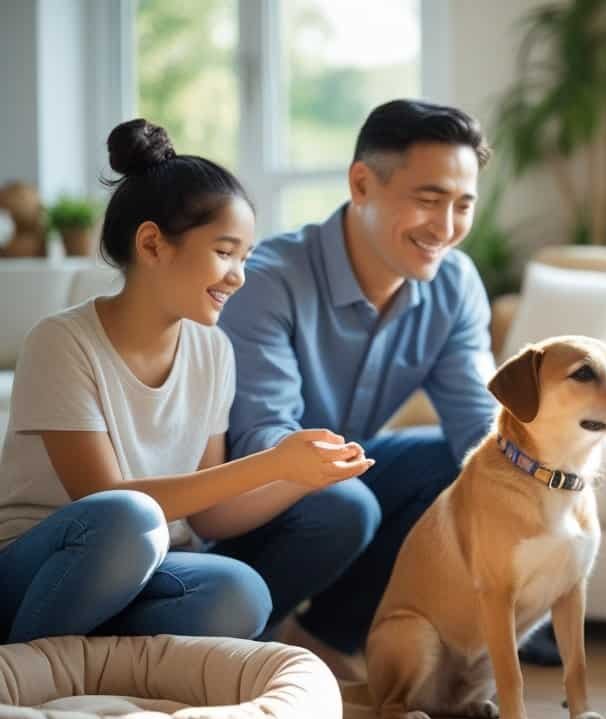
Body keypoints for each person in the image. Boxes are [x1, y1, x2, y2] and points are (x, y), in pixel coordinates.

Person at [0, 119, 372, 644]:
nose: (239, 275)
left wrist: (299, 474)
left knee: (241, 594)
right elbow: (103, 500)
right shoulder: (62, 342)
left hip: (149, 563)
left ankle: (94, 655)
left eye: (245, 257)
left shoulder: (213, 350)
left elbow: (211, 517)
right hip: (38, 565)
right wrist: (270, 462)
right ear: (152, 244)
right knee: (126, 519)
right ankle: (29, 672)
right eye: (225, 252)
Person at [218, 99, 501, 678]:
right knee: (345, 501)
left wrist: (548, 478)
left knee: (471, 466)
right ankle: (235, 640)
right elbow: (263, 442)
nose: (445, 229)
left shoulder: (454, 285)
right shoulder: (269, 281)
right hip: (238, 501)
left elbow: (481, 426)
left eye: (462, 205)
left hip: (337, 483)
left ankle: (321, 637)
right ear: (362, 183)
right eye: (427, 200)